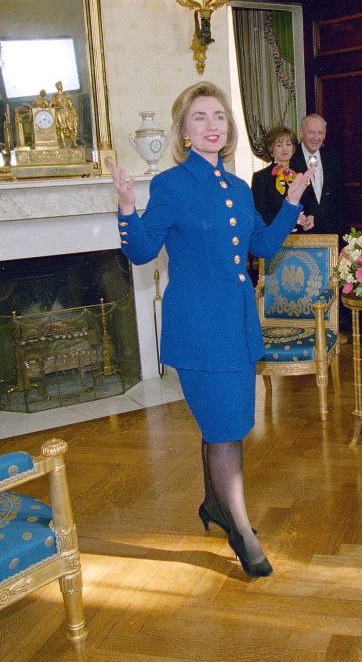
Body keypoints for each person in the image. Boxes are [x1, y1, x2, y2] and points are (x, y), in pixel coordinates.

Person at [109, 82, 311, 578]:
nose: (212, 125)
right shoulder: (171, 185)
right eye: (199, 117)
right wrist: (126, 206)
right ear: (184, 129)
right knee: (225, 432)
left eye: (219, 116)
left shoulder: (238, 188)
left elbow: (261, 247)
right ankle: (241, 530)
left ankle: (215, 505)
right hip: (200, 329)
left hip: (238, 324)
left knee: (228, 426)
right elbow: (139, 253)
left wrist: (291, 204)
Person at [288, 114, 347, 237]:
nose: (316, 138)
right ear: (301, 133)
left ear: (325, 135)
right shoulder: (290, 160)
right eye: (311, 132)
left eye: (320, 133)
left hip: (331, 234)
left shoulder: (334, 158)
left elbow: (340, 199)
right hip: (300, 234)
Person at [250, 125, 314, 231]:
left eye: (288, 144)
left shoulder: (302, 174)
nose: (285, 149)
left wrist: (310, 217)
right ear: (271, 149)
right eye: (279, 145)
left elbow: (310, 203)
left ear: (293, 148)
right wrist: (291, 219)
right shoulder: (260, 177)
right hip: (274, 237)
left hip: (302, 238)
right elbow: (261, 214)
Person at [52, 80, 78, 149]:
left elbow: (71, 105)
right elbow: (51, 106)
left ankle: (74, 142)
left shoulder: (66, 95)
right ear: (57, 87)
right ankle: (63, 144)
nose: (60, 86)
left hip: (67, 113)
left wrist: (73, 113)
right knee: (61, 129)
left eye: (61, 85)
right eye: (59, 85)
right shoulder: (54, 96)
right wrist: (57, 107)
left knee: (71, 128)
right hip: (59, 113)